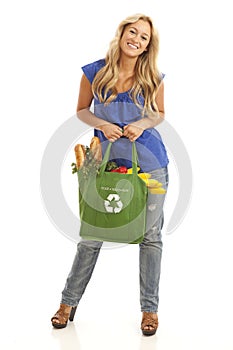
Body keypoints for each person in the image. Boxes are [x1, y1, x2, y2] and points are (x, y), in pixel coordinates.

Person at [51, 13, 169, 336]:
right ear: (122, 33)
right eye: (133, 32)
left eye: (144, 37)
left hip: (151, 166)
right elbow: (81, 110)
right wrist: (101, 125)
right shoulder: (95, 72)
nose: (137, 39)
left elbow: (159, 113)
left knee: (150, 236)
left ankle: (149, 311)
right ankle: (67, 302)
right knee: (91, 234)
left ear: (148, 46)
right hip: (106, 166)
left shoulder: (153, 77)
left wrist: (142, 124)